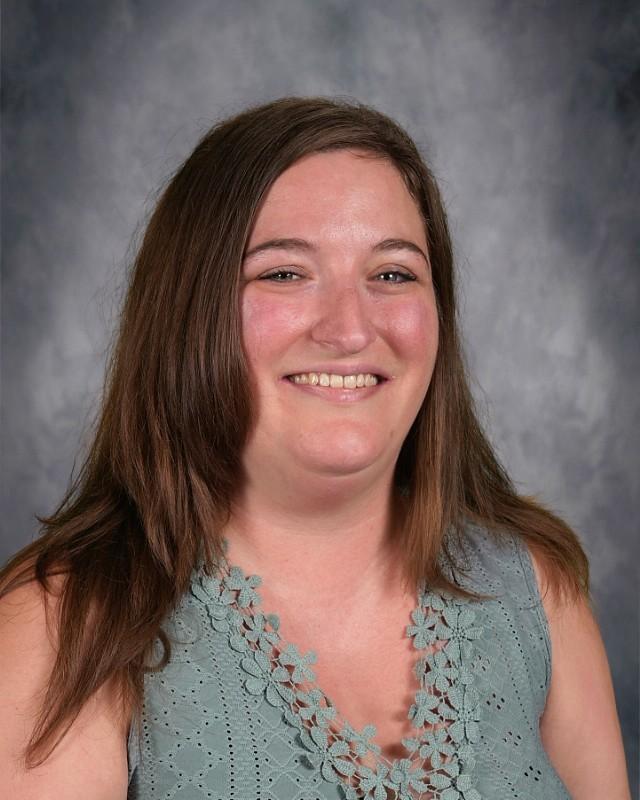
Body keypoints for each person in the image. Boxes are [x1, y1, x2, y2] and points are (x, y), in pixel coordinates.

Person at [0, 96, 631, 800]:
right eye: (284, 273)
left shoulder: (537, 590)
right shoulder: (66, 626)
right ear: (188, 312)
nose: (350, 328)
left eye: (392, 273)